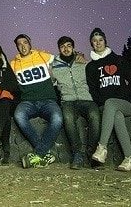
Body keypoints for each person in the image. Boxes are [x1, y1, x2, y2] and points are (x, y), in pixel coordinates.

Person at [86, 27, 131, 171]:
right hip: (107, 107)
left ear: (105, 41)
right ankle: (130, 159)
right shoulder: (90, 67)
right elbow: (93, 90)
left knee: (112, 103)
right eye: (94, 41)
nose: (98, 43)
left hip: (127, 104)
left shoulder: (119, 60)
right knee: (116, 115)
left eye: (100, 40)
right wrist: (102, 102)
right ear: (91, 44)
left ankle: (102, 147)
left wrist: (123, 96)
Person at [10, 33, 63, 168]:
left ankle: (39, 154)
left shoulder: (42, 56)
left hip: (48, 100)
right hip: (28, 102)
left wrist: (78, 55)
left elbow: (63, 59)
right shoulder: (13, 63)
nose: (23, 46)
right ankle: (45, 153)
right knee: (18, 115)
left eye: (25, 42)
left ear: (30, 43)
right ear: (17, 47)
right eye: (19, 44)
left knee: (57, 118)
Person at [51, 36, 101, 169]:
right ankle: (77, 154)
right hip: (68, 100)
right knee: (67, 118)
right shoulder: (54, 65)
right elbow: (49, 82)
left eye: (68, 45)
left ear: (73, 47)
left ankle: (91, 152)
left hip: (86, 99)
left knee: (95, 116)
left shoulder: (83, 62)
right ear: (59, 49)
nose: (66, 49)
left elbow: (95, 76)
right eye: (62, 47)